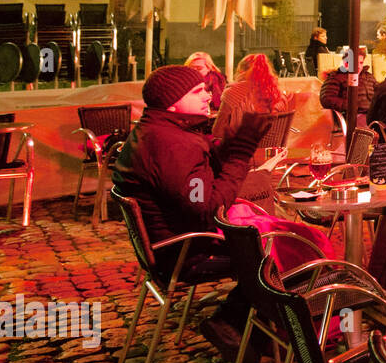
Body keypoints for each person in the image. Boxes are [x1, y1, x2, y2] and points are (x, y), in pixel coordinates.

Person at [113, 65, 271, 276]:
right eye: (197, 92)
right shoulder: (173, 145)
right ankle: (250, 308)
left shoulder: (156, 131)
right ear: (171, 105)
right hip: (188, 253)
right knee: (283, 251)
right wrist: (240, 155)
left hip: (174, 245)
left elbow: (196, 182)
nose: (208, 96)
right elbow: (206, 210)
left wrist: (229, 147)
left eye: (205, 89)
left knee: (269, 234)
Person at [212, 53, 291, 141]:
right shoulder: (279, 94)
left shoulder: (233, 92)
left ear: (241, 71)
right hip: (272, 149)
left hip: (243, 149)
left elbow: (217, 131)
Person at [319, 45, 377, 125]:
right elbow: (327, 99)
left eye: (361, 63)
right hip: (353, 116)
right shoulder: (337, 77)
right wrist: (350, 105)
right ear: (346, 64)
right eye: (355, 63)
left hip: (372, 114)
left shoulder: (368, 76)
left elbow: (379, 93)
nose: (359, 66)